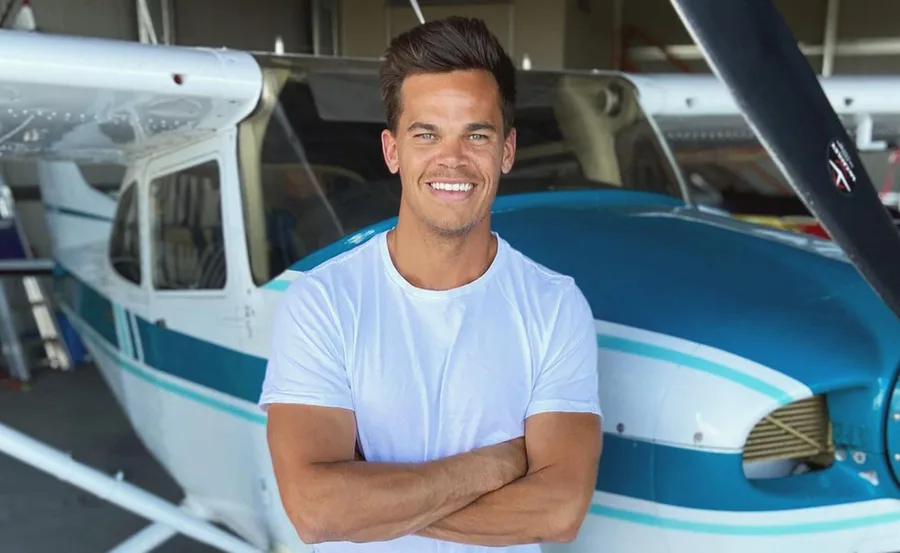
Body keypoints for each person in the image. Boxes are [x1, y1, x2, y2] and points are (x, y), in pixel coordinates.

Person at [259, 15, 603, 552]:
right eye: (426, 134)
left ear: (506, 151)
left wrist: (371, 504)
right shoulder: (321, 301)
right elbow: (315, 509)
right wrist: (499, 465)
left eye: (477, 134)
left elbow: (559, 511)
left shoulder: (556, 305)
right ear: (392, 150)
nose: (453, 159)